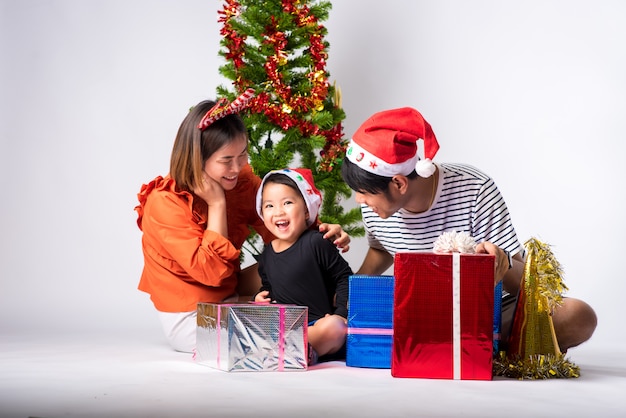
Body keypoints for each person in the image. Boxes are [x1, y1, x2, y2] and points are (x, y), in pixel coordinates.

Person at [340, 107, 597, 352]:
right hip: (415, 312)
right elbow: (382, 248)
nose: (359, 200)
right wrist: (349, 292)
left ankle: (467, 345)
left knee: (578, 315)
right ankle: (476, 349)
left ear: (398, 183)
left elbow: (524, 284)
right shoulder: (377, 208)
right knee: (340, 325)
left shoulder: (475, 189)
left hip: (479, 314)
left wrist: (502, 262)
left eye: (363, 193)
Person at [135, 90, 350, 353]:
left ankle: (324, 322)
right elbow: (211, 274)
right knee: (245, 338)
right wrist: (216, 204)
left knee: (302, 258)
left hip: (233, 290)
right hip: (192, 312)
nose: (237, 168)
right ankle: (312, 340)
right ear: (197, 159)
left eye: (242, 155)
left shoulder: (241, 182)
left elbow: (282, 231)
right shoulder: (165, 202)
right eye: (226, 160)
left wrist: (321, 232)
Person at [254, 168, 353, 364]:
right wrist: (259, 298)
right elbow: (269, 289)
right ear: (261, 213)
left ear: (307, 209)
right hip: (287, 329)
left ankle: (292, 351)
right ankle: (293, 350)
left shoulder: (316, 242)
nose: (278, 211)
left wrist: (342, 314)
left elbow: (344, 277)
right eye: (269, 206)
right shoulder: (267, 254)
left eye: (287, 203)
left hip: (319, 325)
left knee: (334, 327)